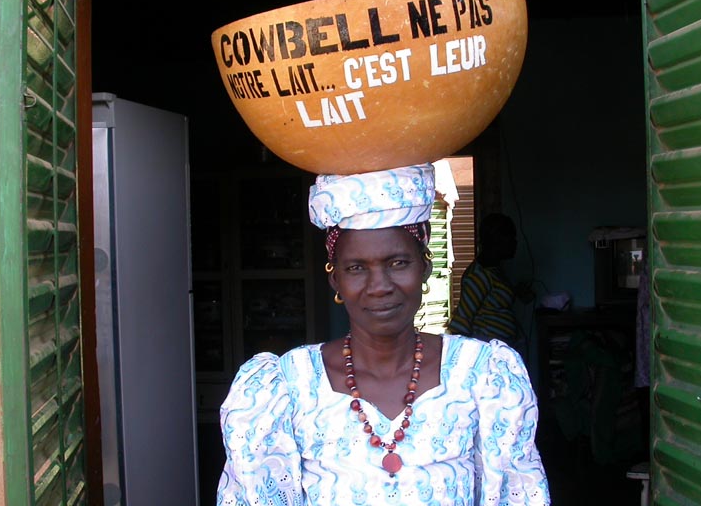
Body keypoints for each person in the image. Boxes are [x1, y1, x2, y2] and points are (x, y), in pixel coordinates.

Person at [216, 164, 550, 505]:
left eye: (398, 263)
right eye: (356, 268)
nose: (380, 287)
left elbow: (515, 493)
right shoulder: (288, 386)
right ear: (336, 281)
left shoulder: (482, 375)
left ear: (425, 267)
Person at [446, 213, 522, 347]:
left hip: (499, 348)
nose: (515, 242)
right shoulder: (478, 275)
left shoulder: (493, 271)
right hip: (487, 350)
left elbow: (492, 303)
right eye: (511, 237)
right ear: (497, 239)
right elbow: (462, 319)